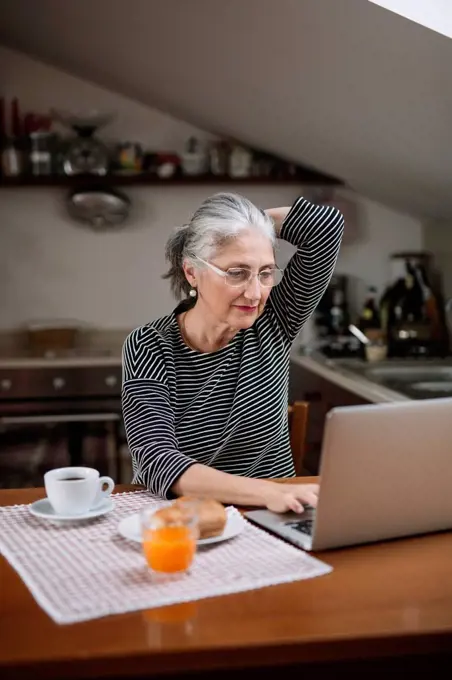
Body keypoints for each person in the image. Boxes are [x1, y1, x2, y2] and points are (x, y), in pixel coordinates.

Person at [122, 192, 344, 513]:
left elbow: (325, 227)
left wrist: (251, 225)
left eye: (265, 273)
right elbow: (157, 461)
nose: (255, 293)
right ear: (192, 272)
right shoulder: (148, 345)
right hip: (187, 517)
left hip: (274, 514)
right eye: (236, 272)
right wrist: (266, 492)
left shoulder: (274, 319)